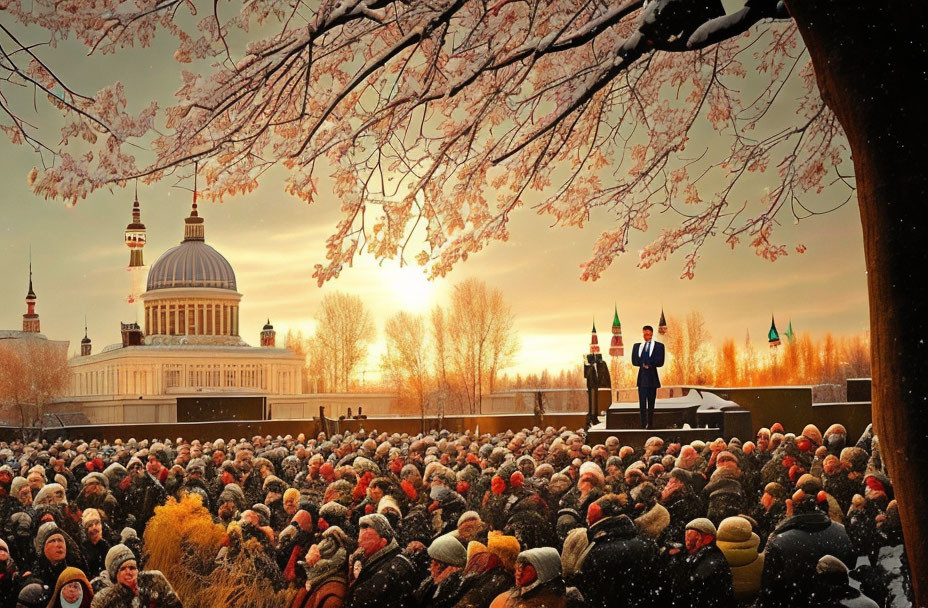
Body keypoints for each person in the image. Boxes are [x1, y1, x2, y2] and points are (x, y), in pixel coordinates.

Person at [344, 514, 420, 608]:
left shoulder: (390, 571)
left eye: (365, 541)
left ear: (383, 541)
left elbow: (360, 600)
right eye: (359, 540)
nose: (360, 543)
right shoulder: (391, 558)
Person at [89, 544, 181, 608]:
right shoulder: (105, 600)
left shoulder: (154, 581)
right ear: (114, 575)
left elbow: (175, 605)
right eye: (123, 569)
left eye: (132, 568)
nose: (129, 572)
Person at [631, 325, 665, 429]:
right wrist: (642, 364)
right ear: (643, 333)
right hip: (642, 379)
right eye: (645, 334)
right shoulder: (637, 346)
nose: (647, 336)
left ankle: (650, 424)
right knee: (642, 404)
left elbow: (660, 361)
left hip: (652, 378)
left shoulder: (659, 346)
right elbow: (634, 361)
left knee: (651, 403)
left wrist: (650, 364)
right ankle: (642, 425)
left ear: (652, 334)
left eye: (649, 334)